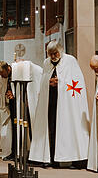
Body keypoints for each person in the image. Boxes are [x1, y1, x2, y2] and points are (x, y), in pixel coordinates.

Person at [29, 40, 90, 168]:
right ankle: (51, 158)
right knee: (51, 129)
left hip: (67, 105)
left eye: (55, 53)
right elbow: (44, 80)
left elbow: (77, 83)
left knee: (68, 129)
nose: (52, 56)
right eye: (50, 54)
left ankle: (75, 159)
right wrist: (48, 83)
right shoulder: (47, 63)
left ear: (60, 51)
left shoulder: (70, 61)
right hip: (51, 103)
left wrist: (60, 82)